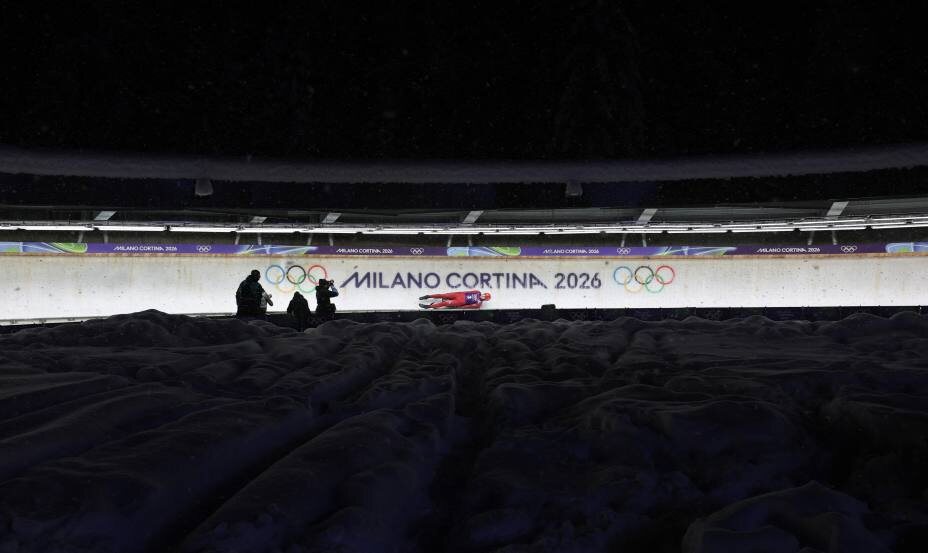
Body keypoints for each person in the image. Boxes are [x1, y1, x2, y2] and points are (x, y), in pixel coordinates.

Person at [419, 290, 490, 309]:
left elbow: (468, 306)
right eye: (484, 294)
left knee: (445, 303)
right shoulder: (478, 292)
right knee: (444, 295)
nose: (483, 295)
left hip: (460, 301)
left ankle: (428, 307)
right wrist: (459, 292)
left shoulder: (478, 304)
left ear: (485, 299)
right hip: (459, 295)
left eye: (484, 296)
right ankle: (428, 296)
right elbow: (468, 291)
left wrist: (459, 307)